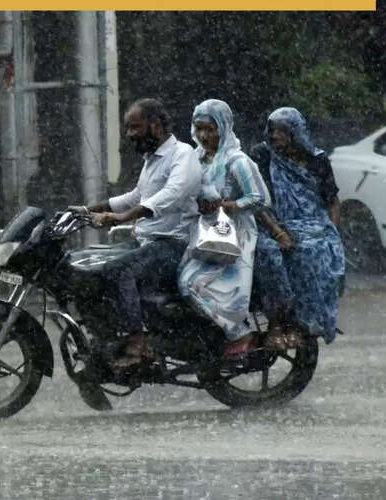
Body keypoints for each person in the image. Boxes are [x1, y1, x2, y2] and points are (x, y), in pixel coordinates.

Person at [70, 97, 202, 372]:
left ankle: (138, 342)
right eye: (128, 128)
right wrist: (84, 211)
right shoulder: (151, 159)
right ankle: (104, 338)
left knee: (120, 270)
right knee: (88, 266)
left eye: (135, 127)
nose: (130, 134)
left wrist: (121, 218)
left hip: (174, 245)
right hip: (147, 241)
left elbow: (171, 196)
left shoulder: (183, 154)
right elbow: (136, 197)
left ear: (155, 125)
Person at [177, 99, 271, 360]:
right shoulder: (194, 158)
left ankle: (239, 332)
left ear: (224, 127)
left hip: (231, 234)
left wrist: (229, 205)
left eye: (211, 129)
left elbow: (261, 198)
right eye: (199, 129)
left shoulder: (237, 161)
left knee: (191, 284)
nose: (204, 136)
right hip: (199, 229)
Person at [249, 107, 345, 349]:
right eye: (271, 131)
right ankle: (283, 322)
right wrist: (277, 230)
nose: (274, 136)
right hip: (275, 223)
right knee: (289, 252)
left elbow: (331, 201)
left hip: (314, 222)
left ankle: (306, 323)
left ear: (295, 132)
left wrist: (332, 232)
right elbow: (256, 200)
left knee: (320, 250)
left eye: (280, 131)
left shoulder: (317, 160)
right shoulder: (263, 156)